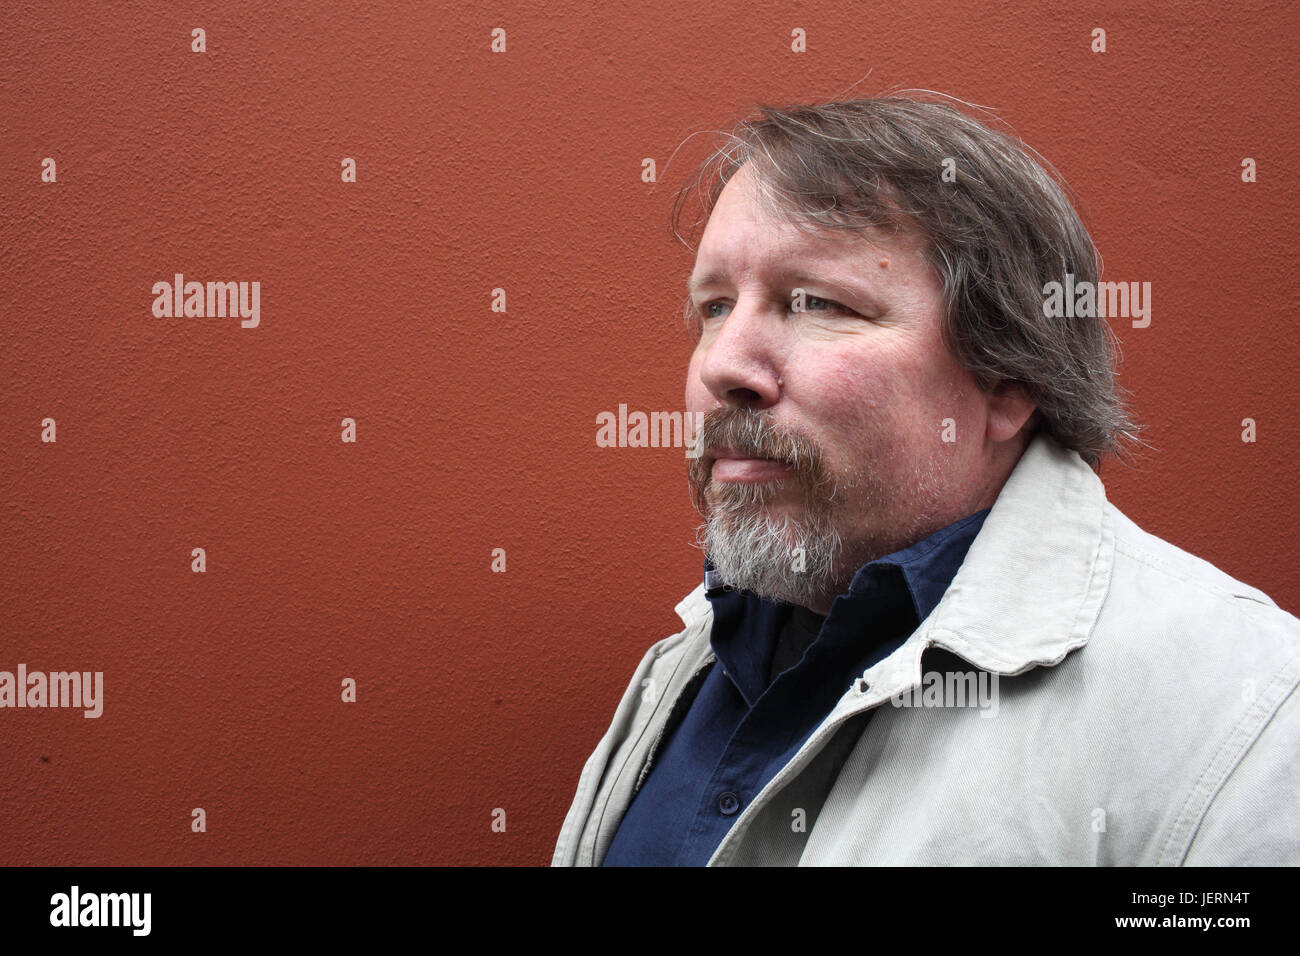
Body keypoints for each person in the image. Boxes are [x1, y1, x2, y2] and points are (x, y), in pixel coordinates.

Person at [552, 95, 1299, 866]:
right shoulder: (697, 655)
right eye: (713, 307)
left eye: (816, 304)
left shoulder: (1246, 715)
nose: (723, 365)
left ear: (1006, 380)